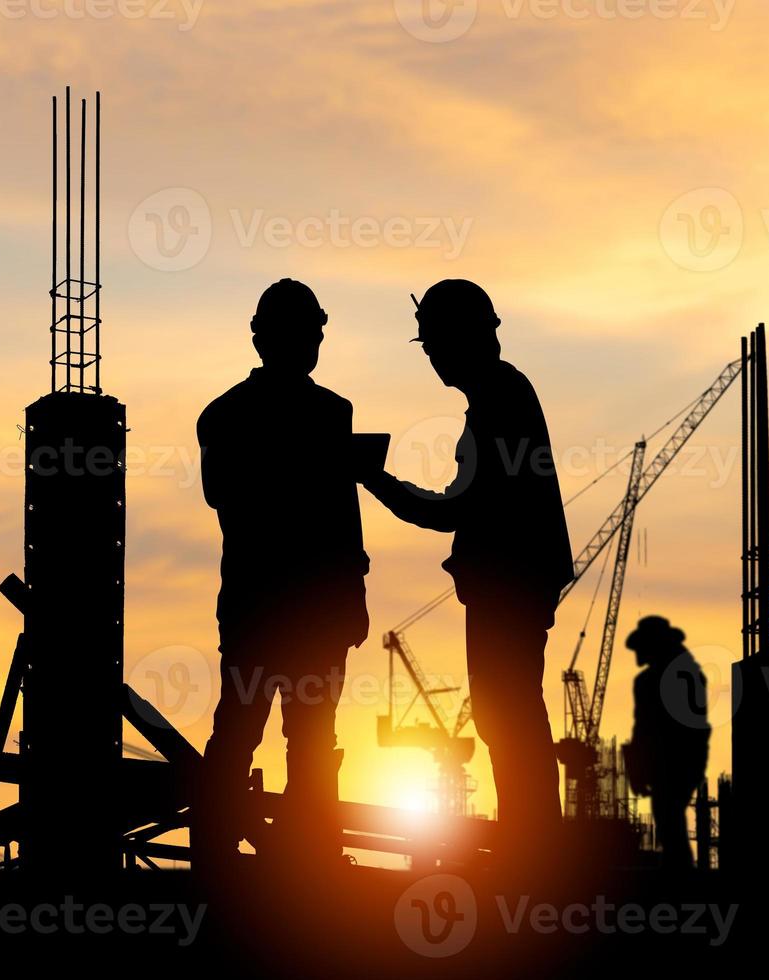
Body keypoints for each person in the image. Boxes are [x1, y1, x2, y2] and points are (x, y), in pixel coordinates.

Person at [361, 279, 571, 861]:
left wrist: (374, 478)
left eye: (435, 343)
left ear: (464, 337)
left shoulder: (498, 405)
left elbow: (452, 508)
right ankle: (535, 846)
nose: (431, 356)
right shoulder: (502, 397)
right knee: (509, 713)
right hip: (515, 581)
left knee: (508, 714)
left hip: (509, 585)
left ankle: (535, 852)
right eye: (426, 345)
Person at [195, 279, 370, 868]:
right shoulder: (248, 417)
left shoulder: (234, 416)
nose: (313, 343)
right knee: (267, 730)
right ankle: (287, 860)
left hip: (274, 607)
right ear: (268, 339)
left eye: (316, 334)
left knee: (282, 733)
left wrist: (355, 593)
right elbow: (227, 495)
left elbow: (344, 518)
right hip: (277, 608)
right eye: (307, 333)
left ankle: (301, 857)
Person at [624, 615, 710, 871]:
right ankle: (678, 874)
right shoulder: (688, 673)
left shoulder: (656, 680)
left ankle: (679, 880)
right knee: (669, 822)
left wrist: (642, 768)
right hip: (683, 760)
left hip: (673, 762)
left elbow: (646, 730)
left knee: (669, 822)